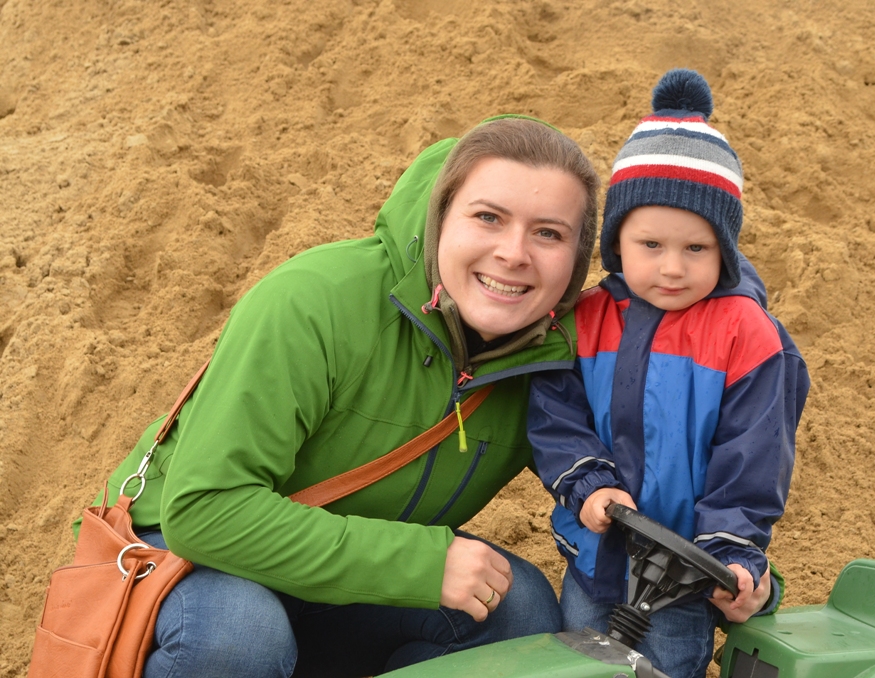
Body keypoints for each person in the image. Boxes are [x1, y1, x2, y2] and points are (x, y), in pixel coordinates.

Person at [79, 115, 602, 677]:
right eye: (487, 217)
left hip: (340, 577)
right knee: (243, 633)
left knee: (516, 608)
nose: (514, 253)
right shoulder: (314, 301)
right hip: (196, 558)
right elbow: (202, 512)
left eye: (548, 233)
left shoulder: (559, 357)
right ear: (439, 218)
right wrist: (420, 565)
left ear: (577, 260)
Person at [528, 69, 811, 677]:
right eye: (650, 245)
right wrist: (587, 483)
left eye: (696, 249)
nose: (673, 268)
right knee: (578, 663)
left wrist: (731, 550)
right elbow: (554, 412)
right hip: (594, 558)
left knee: (665, 669)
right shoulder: (590, 318)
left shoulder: (747, 335)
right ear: (616, 240)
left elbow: (754, 457)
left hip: (684, 579)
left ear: (725, 248)